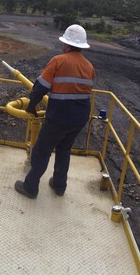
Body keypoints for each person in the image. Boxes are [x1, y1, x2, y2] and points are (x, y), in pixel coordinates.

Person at [14, 24, 95, 199]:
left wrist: (31, 106)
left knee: (42, 150)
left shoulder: (59, 60)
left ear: (66, 44)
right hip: (80, 118)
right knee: (64, 149)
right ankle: (59, 186)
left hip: (60, 116)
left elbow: (40, 88)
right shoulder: (89, 66)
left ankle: (30, 187)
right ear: (81, 45)